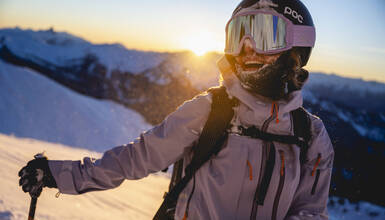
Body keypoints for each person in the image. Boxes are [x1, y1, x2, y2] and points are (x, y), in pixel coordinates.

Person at [18, 0, 334, 219]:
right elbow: (136, 158)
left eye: (265, 34)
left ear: (296, 47)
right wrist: (59, 174)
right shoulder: (212, 109)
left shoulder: (310, 136)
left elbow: (309, 211)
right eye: (238, 34)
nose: (247, 47)